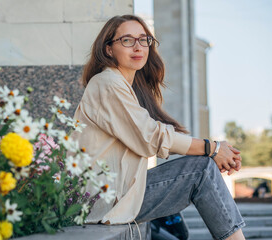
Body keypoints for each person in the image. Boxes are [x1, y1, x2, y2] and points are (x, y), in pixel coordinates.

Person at [70, 14, 246, 240]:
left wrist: (216, 151)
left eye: (143, 40)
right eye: (127, 40)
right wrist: (212, 148)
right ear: (108, 49)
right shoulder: (107, 83)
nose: (138, 46)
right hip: (103, 200)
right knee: (201, 171)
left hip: (117, 194)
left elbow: (153, 138)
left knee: (200, 170)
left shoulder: (124, 86)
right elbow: (151, 137)